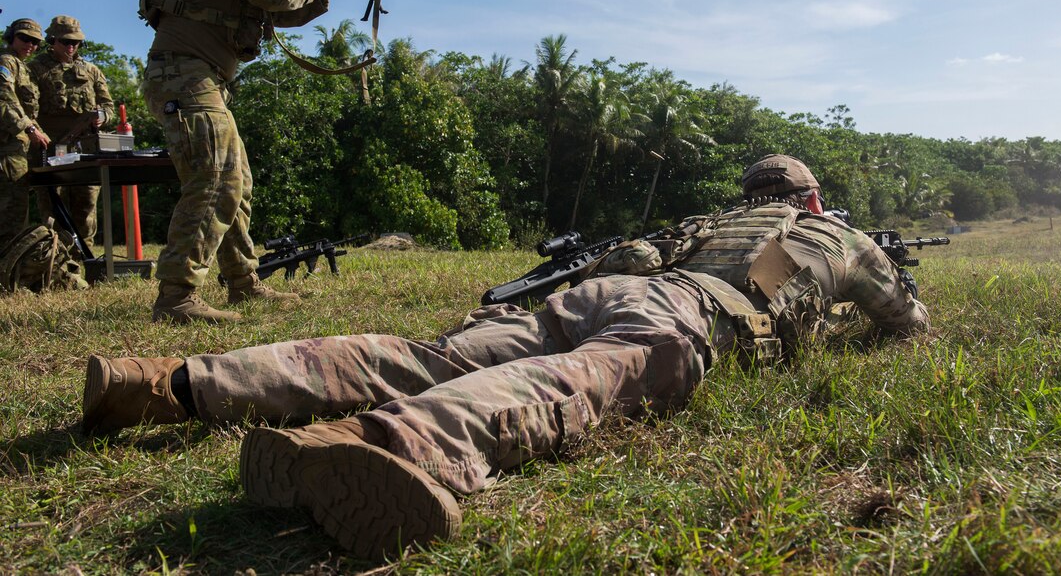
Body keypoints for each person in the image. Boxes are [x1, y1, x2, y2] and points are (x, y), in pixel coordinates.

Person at [81, 154, 929, 561]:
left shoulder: (706, 224)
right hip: (687, 317)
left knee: (420, 355)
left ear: (752, 197)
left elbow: (627, 259)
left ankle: (169, 384)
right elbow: (907, 324)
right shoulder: (840, 235)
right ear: (811, 198)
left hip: (591, 299)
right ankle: (382, 448)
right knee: (576, 386)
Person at [139, 0, 362, 323]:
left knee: (236, 180)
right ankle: (176, 296)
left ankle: (243, 283)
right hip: (187, 75)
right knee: (216, 181)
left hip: (198, 77)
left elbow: (278, 10)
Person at [28, 16, 114, 246]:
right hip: (51, 147)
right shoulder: (35, 68)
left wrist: (101, 117)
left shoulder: (91, 71)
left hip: (84, 149)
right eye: (66, 41)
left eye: (76, 42)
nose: (71, 47)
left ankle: (83, 259)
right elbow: (26, 108)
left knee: (86, 204)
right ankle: (55, 263)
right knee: (51, 207)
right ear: (52, 40)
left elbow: (108, 105)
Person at [0, 19, 50, 249]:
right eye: (24, 38)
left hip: (19, 150)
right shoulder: (5, 62)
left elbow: (26, 109)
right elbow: (5, 101)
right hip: (7, 150)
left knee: (18, 212)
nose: (30, 44)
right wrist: (30, 129)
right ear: (11, 37)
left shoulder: (22, 67)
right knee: (10, 214)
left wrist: (39, 132)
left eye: (35, 41)